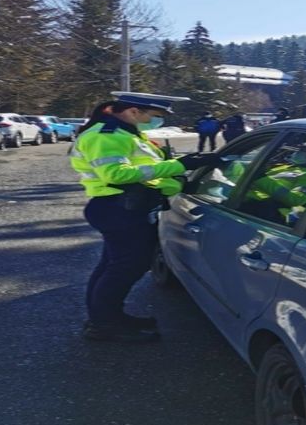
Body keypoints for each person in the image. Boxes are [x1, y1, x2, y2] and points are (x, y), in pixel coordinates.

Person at [70, 92, 222, 343]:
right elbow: (116, 174)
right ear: (133, 111)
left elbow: (146, 170)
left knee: (113, 266)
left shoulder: (126, 132)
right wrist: (179, 166)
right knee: (125, 268)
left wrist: (177, 179)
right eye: (156, 116)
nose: (157, 121)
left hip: (127, 207)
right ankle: (104, 325)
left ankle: (106, 317)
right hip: (119, 209)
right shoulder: (106, 135)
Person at [240, 139, 306, 225]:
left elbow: (295, 200)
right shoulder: (292, 167)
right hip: (242, 201)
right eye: (302, 149)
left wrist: (261, 178)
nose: (301, 152)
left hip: (260, 213)